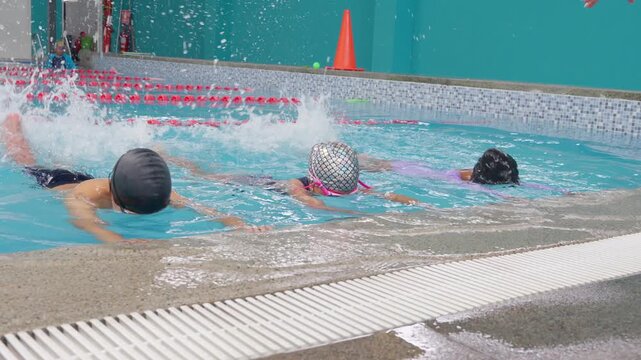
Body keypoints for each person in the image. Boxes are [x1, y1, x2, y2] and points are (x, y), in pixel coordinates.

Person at [1, 113, 268, 243]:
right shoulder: (85, 196)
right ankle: (12, 125)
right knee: (26, 161)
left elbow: (201, 208)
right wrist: (120, 242)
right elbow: (86, 223)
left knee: (64, 161)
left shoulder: (156, 192)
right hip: (55, 182)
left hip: (90, 176)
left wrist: (235, 223)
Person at [162, 142, 421, 214]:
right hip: (254, 182)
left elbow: (387, 196)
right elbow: (314, 205)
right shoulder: (297, 186)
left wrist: (418, 205)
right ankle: (172, 158)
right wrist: (363, 216)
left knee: (208, 171)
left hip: (267, 179)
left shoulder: (352, 188)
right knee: (204, 175)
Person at [359, 148, 520, 186]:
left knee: (379, 163)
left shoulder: (475, 175)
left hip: (422, 168)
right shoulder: (474, 184)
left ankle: (356, 157)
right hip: (413, 171)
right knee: (377, 166)